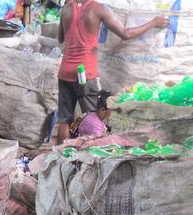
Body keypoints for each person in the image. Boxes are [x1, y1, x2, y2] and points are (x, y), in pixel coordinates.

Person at [54, 0, 168, 143]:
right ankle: (90, 158)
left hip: (65, 72)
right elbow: (125, 34)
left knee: (65, 120)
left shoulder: (66, 9)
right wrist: (153, 23)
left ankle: (59, 157)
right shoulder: (99, 9)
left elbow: (60, 38)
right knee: (95, 118)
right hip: (86, 74)